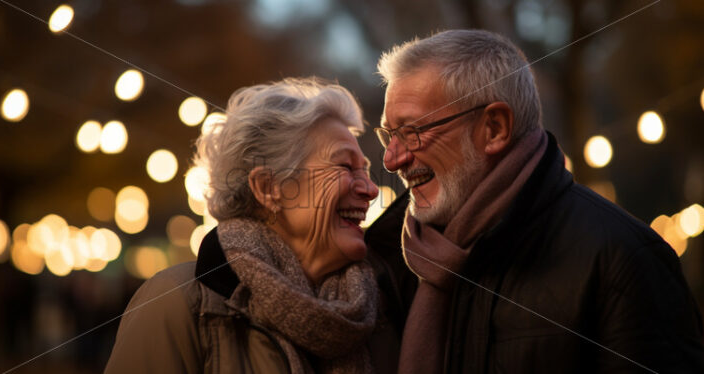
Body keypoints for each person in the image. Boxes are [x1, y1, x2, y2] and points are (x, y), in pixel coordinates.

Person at [373, 29, 704, 373]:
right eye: (388, 135)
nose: (392, 160)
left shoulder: (624, 261)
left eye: (412, 133)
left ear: (495, 129)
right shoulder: (387, 262)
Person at [105, 77, 399, 373]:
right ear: (268, 187)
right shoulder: (176, 304)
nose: (371, 189)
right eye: (345, 167)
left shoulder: (379, 310)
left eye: (366, 170)